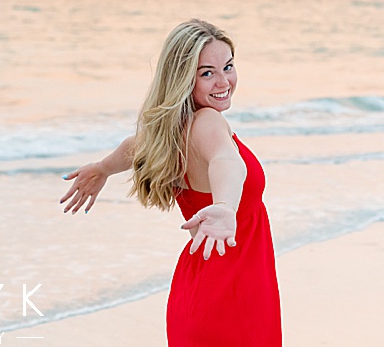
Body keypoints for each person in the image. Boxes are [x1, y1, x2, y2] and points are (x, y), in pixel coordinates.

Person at [60, 19, 282, 346]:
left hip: (199, 293)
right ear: (181, 77)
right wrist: (224, 207)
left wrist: (103, 168)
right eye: (207, 72)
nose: (224, 81)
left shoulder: (166, 134)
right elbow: (226, 160)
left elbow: (130, 147)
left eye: (228, 67)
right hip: (234, 298)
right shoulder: (208, 122)